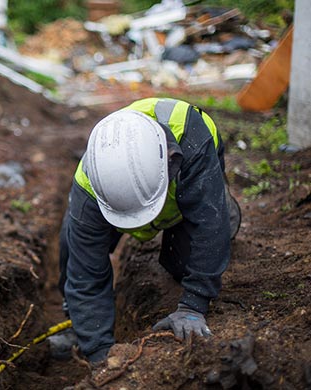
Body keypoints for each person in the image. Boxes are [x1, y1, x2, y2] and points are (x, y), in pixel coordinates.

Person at [51, 97, 241, 368]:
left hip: (190, 185)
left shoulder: (192, 139)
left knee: (198, 247)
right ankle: (76, 322)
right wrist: (99, 355)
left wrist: (192, 306)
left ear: (171, 164)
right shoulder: (91, 181)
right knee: (72, 247)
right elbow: (86, 275)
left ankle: (224, 205)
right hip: (118, 197)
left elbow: (208, 226)